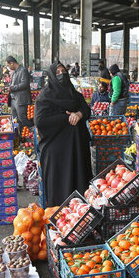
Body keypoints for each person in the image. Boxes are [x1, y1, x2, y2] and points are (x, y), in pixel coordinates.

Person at [35, 61, 92, 207]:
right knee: (60, 189)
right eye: (58, 73)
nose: (61, 75)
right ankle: (60, 220)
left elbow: (86, 109)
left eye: (63, 72)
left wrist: (78, 114)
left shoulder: (74, 93)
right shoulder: (45, 97)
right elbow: (40, 121)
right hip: (57, 150)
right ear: (52, 76)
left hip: (77, 147)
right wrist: (67, 118)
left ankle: (81, 215)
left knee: (80, 182)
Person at [6, 55, 33, 131]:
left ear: (12, 63)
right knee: (16, 120)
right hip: (14, 99)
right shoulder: (15, 72)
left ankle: (34, 130)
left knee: (23, 119)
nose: (8, 67)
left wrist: (12, 88)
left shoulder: (23, 70)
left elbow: (24, 84)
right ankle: (20, 136)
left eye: (8, 65)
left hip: (21, 99)